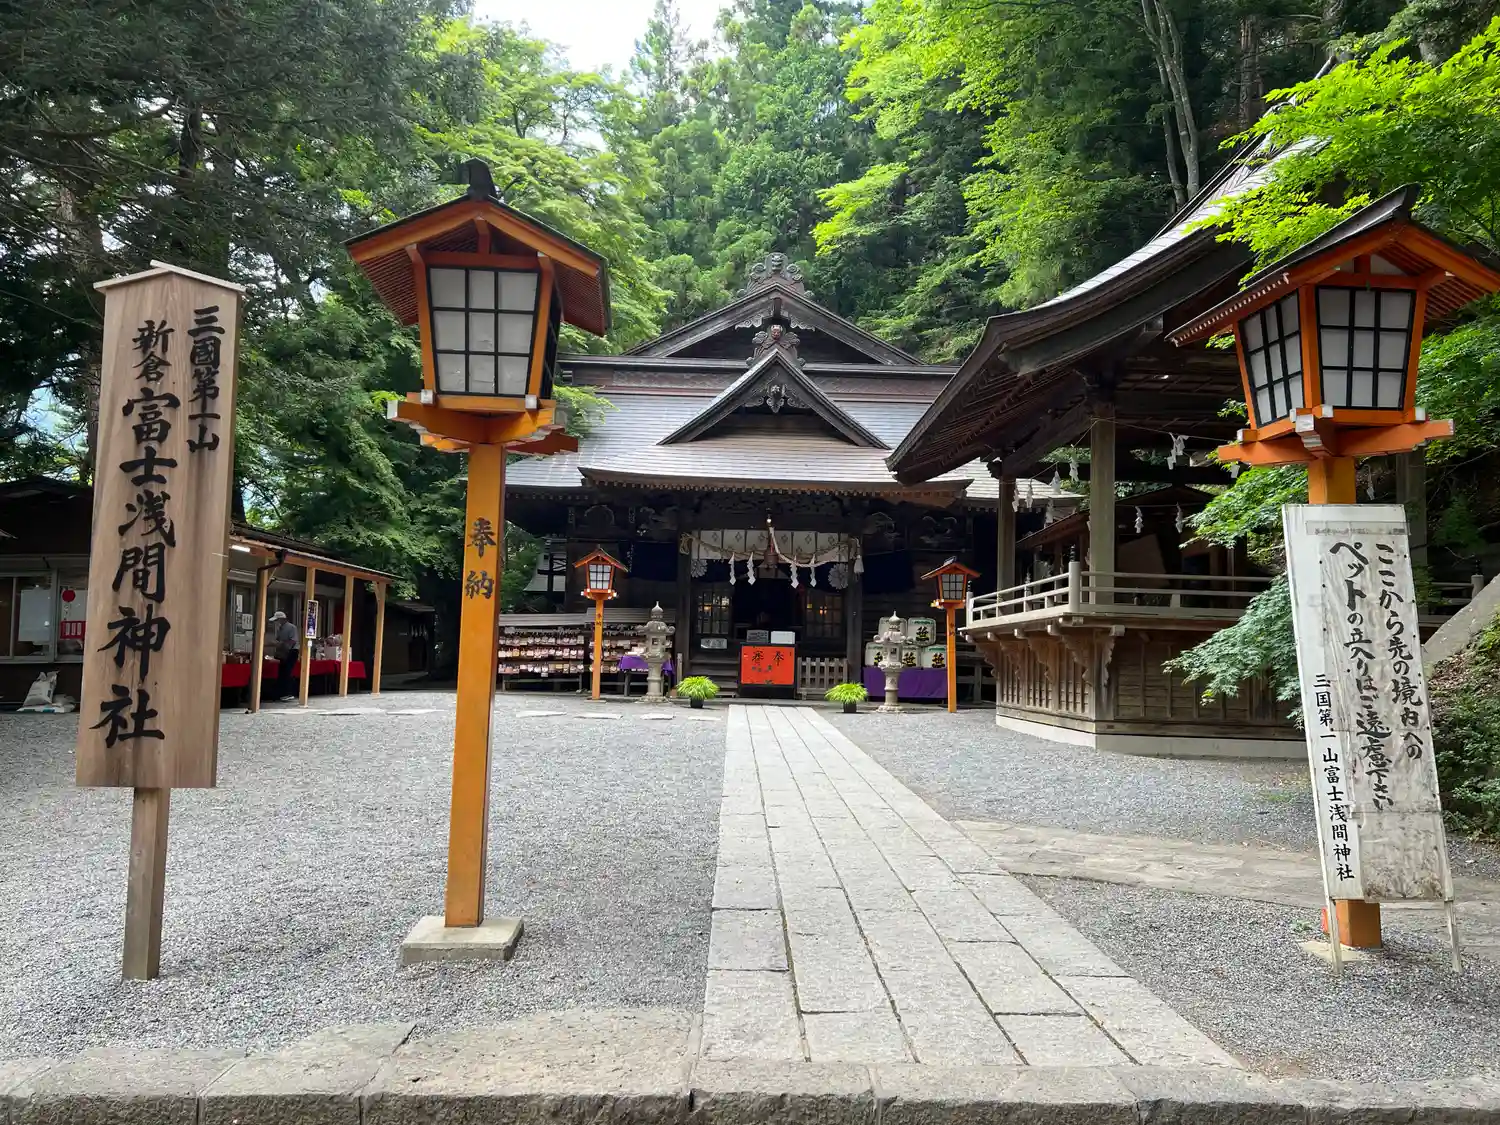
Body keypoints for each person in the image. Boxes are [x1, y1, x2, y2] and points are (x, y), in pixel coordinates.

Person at [270, 610, 300, 702]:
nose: (276, 623)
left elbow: (293, 641)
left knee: (287, 671)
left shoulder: (291, 627)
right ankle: (281, 693)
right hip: (283, 652)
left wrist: (281, 644)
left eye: (277, 620)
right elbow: (278, 640)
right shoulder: (280, 629)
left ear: (282, 619)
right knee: (282, 672)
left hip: (291, 651)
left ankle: (289, 693)